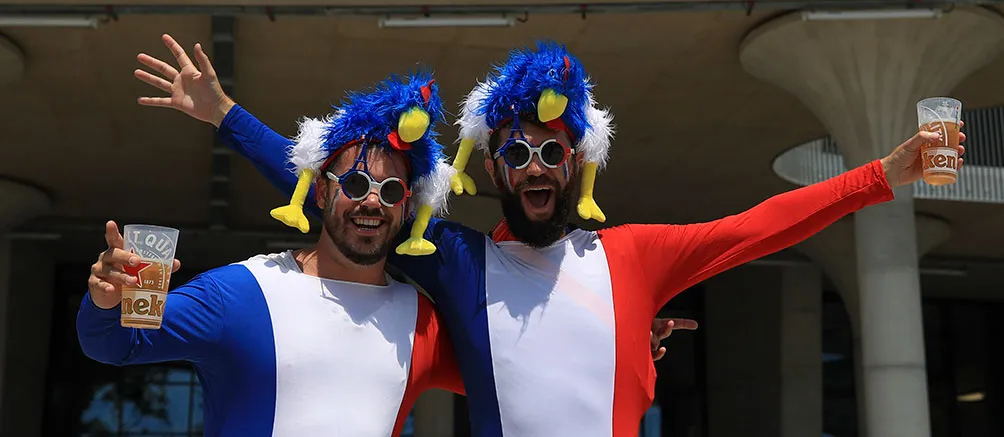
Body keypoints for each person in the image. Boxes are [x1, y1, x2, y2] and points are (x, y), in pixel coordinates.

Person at [137, 37, 938, 437]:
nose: (534, 166)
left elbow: (756, 228)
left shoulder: (634, 257)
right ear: (492, 167)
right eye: (515, 153)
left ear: (579, 158)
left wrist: (881, 174)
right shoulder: (460, 263)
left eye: (551, 151)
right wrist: (226, 116)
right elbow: (345, 188)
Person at [77, 72, 466, 437]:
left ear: (407, 207)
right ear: (321, 192)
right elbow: (114, 343)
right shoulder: (241, 292)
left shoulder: (421, 321)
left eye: (391, 190)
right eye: (355, 183)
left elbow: (501, 380)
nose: (372, 202)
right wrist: (106, 300)